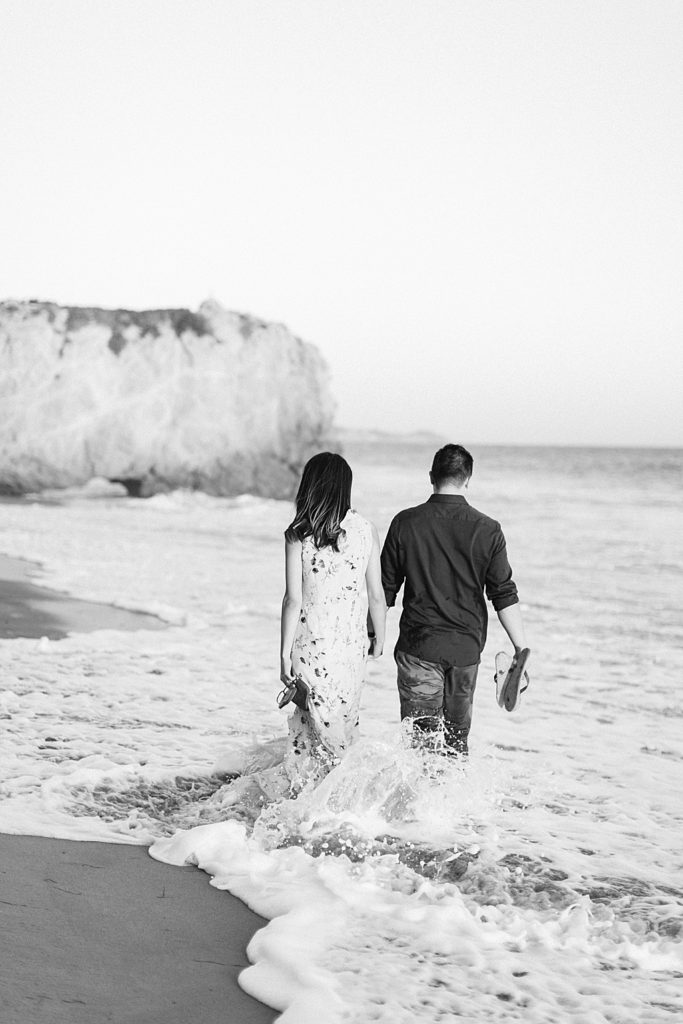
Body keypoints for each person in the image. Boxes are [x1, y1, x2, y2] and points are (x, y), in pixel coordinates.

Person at [380, 443, 526, 756]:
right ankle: (453, 805)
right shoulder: (488, 530)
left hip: (418, 648)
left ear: (431, 476)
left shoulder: (405, 523)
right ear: (468, 479)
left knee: (419, 748)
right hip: (465, 651)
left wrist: (371, 638)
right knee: (456, 745)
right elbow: (503, 593)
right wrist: (519, 649)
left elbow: (384, 592)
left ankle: (419, 804)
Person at [280, 451, 386, 781]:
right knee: (343, 723)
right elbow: (377, 595)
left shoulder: (299, 534)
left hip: (310, 647)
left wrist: (284, 656)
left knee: (308, 732)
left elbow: (292, 600)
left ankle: (305, 801)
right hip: (350, 649)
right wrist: (379, 638)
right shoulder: (367, 530)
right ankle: (344, 801)